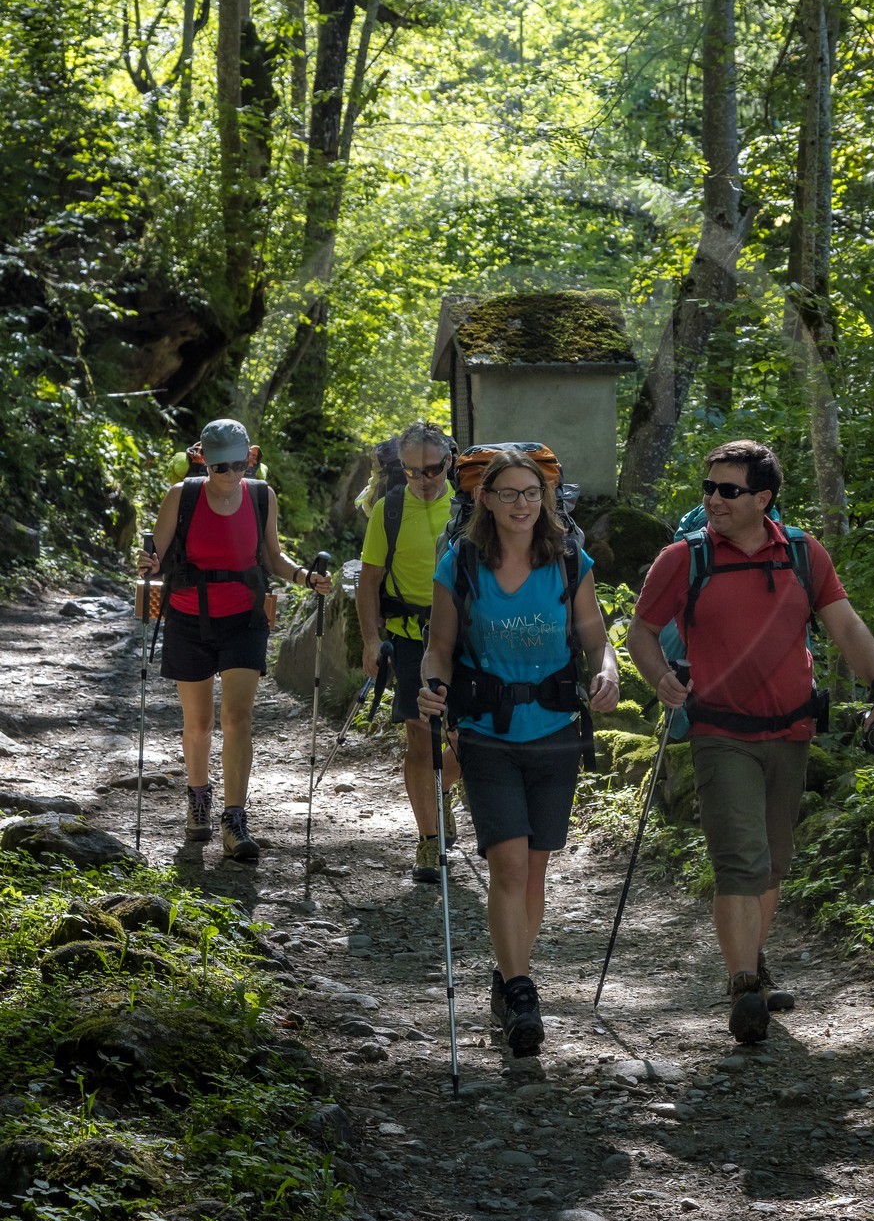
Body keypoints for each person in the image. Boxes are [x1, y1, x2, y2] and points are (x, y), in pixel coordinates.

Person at [626, 438, 874, 1045]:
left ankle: (753, 960)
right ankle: (743, 987)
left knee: (774, 865)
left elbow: (846, 625)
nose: (713, 500)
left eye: (728, 490)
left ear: (763, 498)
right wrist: (661, 678)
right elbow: (641, 632)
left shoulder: (804, 556)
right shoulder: (684, 558)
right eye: (708, 488)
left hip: (791, 731)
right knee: (741, 861)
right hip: (718, 732)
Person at [418, 449, 619, 1057]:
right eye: (508, 493)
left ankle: (508, 977)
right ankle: (524, 989)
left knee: (535, 868)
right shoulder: (461, 564)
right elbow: (439, 646)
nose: (522, 503)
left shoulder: (566, 561)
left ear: (547, 498)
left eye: (531, 492)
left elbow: (595, 638)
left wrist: (607, 672)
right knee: (507, 865)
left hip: (555, 729)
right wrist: (433, 686)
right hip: (485, 730)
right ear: (485, 499)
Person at [139, 417, 331, 861]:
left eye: (239, 464)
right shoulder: (181, 496)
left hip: (245, 617)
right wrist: (146, 562)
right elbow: (156, 558)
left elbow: (271, 556)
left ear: (252, 457)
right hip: (188, 618)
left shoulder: (261, 495)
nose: (230, 475)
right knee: (199, 724)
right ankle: (198, 798)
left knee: (238, 717)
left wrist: (304, 576)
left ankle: (234, 817)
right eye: (221, 466)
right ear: (202, 459)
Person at [356, 420, 460, 884]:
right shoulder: (389, 508)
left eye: (433, 469)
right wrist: (371, 639)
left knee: (468, 741)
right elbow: (369, 581)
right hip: (411, 635)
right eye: (413, 471)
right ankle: (428, 841)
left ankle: (442, 793)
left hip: (465, 635)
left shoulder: (471, 508)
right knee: (421, 737)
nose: (424, 480)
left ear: (449, 461)